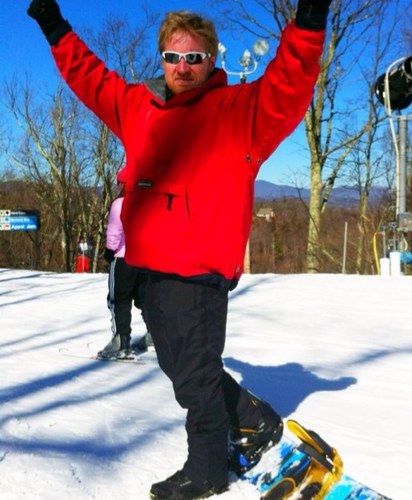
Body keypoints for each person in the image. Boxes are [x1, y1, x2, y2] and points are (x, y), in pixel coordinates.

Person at [27, 0, 331, 497]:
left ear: (212, 59)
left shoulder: (240, 113)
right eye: (173, 57)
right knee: (184, 366)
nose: (183, 68)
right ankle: (252, 419)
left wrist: (309, 21)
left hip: (198, 272)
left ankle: (208, 468)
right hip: (148, 270)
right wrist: (54, 26)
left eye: (195, 58)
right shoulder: (138, 108)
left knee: (193, 381)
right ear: (161, 59)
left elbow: (289, 83)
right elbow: (90, 78)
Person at [98, 167, 153, 359]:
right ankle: (154, 333)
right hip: (144, 259)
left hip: (123, 259)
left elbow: (114, 232)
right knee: (144, 298)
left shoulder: (120, 204)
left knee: (118, 299)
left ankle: (121, 341)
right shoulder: (147, 203)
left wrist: (109, 250)